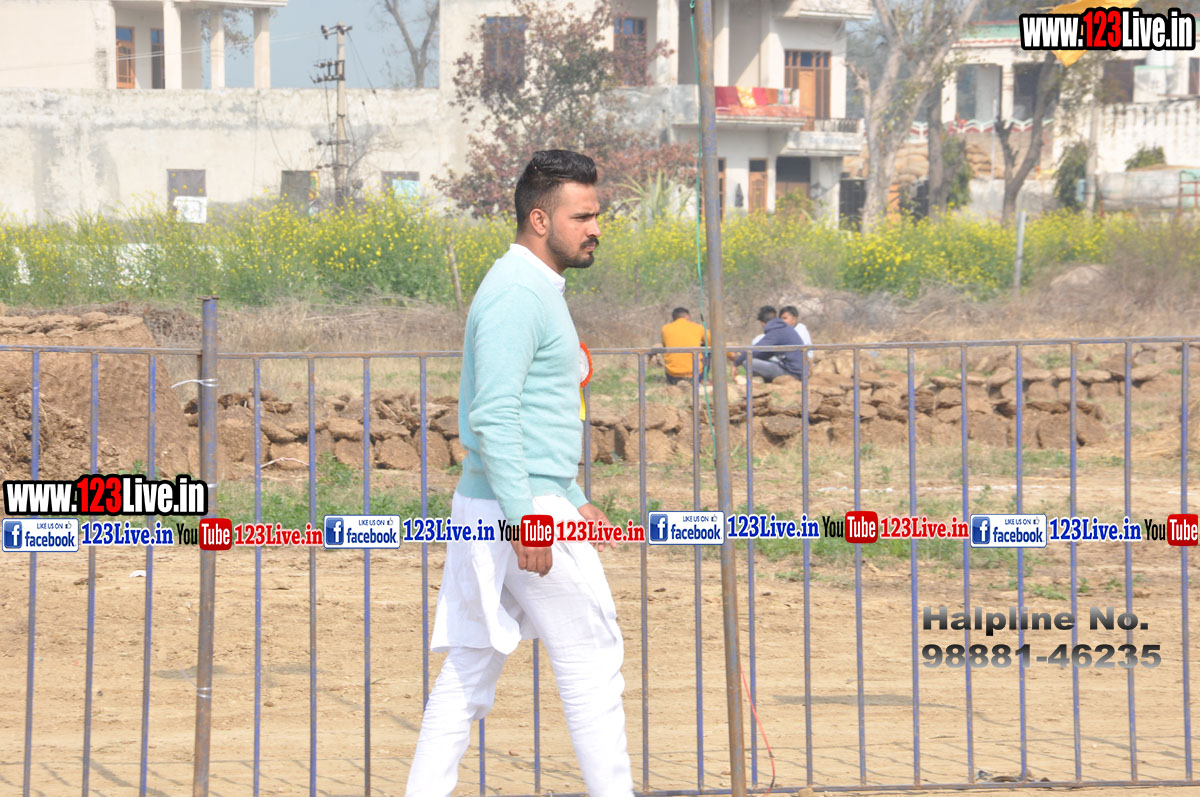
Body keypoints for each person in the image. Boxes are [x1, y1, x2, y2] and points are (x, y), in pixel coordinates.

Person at [406, 150, 633, 797]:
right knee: (592, 661)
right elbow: (495, 413)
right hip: (519, 507)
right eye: (581, 216)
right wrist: (528, 513)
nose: (595, 228)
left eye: (597, 215)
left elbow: (536, 413)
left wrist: (572, 494)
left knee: (468, 672)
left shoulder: (533, 288)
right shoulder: (516, 293)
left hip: (512, 501)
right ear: (539, 218)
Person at [731, 304, 807, 382]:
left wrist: (735, 364)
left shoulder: (776, 331)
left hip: (793, 373)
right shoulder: (782, 327)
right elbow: (765, 353)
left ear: (763, 322)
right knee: (752, 358)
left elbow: (755, 349)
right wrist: (743, 355)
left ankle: (759, 381)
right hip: (796, 370)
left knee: (748, 362)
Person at [660, 307, 711, 385]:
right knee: (707, 349)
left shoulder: (665, 329)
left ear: (674, 318)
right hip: (695, 375)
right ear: (687, 316)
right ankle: (703, 379)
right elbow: (713, 342)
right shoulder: (698, 327)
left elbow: (665, 345)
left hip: (672, 376)